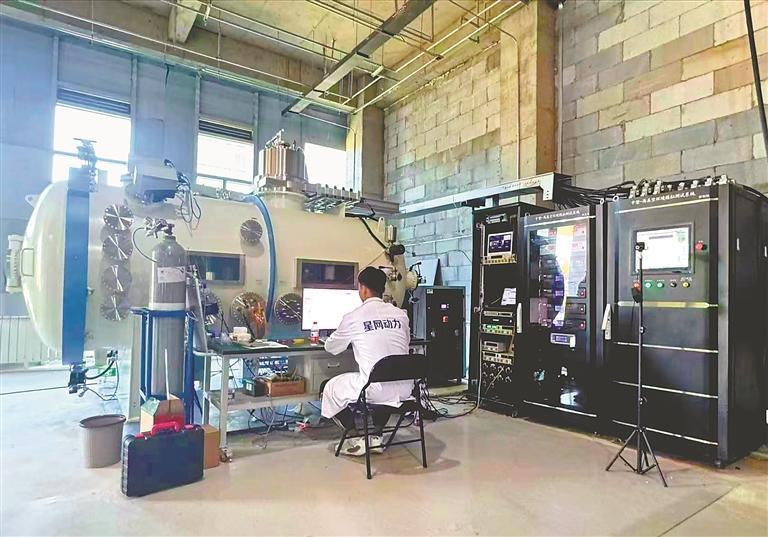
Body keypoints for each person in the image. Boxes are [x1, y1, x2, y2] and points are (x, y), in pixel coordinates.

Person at [321, 266, 412, 456]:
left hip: (374, 388)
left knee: (328, 387)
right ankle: (376, 435)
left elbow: (331, 347)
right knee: (383, 380)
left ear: (362, 288)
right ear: (383, 288)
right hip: (405, 388)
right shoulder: (401, 315)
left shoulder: (354, 317)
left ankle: (355, 437)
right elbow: (406, 342)